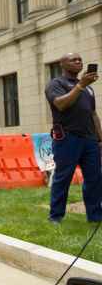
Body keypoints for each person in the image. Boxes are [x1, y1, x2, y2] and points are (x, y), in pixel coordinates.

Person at [45, 53, 102, 224]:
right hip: (67, 138)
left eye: (79, 60)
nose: (78, 62)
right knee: (63, 178)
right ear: (62, 64)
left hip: (90, 140)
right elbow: (60, 104)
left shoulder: (89, 89)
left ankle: (95, 216)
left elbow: (93, 114)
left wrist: (100, 139)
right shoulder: (56, 84)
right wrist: (80, 86)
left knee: (94, 178)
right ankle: (55, 216)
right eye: (73, 60)